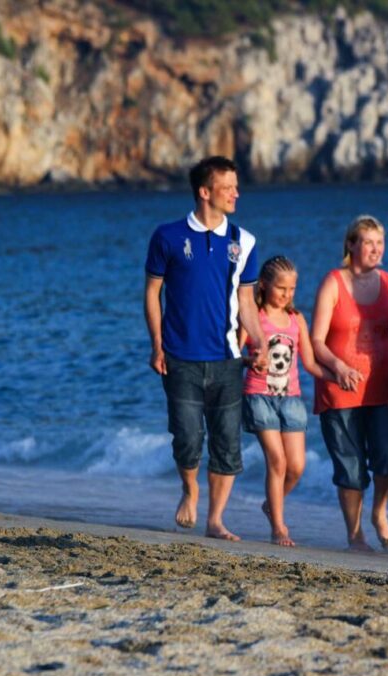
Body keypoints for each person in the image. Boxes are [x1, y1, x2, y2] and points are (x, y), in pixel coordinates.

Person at [144, 155, 267, 542]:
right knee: (187, 438)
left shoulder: (243, 242)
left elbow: (247, 301)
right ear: (205, 191)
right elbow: (152, 294)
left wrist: (260, 341)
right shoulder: (167, 236)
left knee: (228, 444)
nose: (236, 193)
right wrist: (156, 345)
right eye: (228, 187)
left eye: (235, 186)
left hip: (229, 358)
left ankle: (215, 519)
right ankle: (189, 488)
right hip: (179, 356)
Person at [311, 215, 388, 552]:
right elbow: (316, 340)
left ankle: (379, 513)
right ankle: (355, 535)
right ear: (351, 245)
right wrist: (337, 368)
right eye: (368, 242)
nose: (375, 249)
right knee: (350, 468)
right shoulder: (333, 282)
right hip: (340, 391)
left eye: (380, 243)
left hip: (383, 391)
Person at [240, 255, 337, 547]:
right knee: (277, 461)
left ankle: (273, 503)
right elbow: (234, 351)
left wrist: (337, 377)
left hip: (291, 400)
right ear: (265, 285)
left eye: (292, 289)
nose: (287, 295)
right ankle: (279, 528)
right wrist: (249, 360)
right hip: (259, 395)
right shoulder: (253, 316)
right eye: (281, 288)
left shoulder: (296, 319)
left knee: (296, 466)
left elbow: (309, 362)